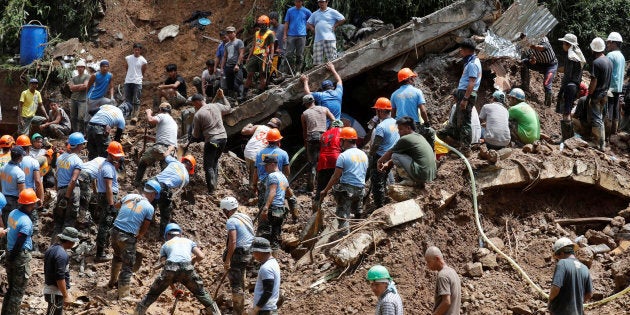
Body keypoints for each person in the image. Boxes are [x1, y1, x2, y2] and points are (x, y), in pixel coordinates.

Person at [134, 223, 221, 315]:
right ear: (180, 234)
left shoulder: (165, 245)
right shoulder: (188, 241)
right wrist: (193, 261)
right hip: (187, 269)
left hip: (170, 268)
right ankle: (216, 313)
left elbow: (166, 267)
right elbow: (201, 256)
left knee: (152, 294)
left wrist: (173, 288)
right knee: (201, 293)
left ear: (167, 235)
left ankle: (137, 313)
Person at [108, 186, 156, 299]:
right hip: (127, 236)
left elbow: (116, 206)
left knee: (117, 256)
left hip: (114, 232)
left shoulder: (130, 196)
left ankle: (112, 282)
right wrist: (139, 236)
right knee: (127, 266)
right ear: (153, 194)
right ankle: (124, 295)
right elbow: (145, 225)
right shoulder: (149, 207)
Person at [320, 127, 368, 234]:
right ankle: (357, 235)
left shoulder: (343, 156)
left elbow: (336, 176)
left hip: (347, 190)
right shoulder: (364, 155)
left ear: (345, 140)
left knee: (343, 216)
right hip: (361, 189)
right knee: (357, 214)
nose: (340, 142)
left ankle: (343, 239)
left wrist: (325, 190)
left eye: (341, 140)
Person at [2, 189, 38, 315]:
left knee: (11, 289)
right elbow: (20, 242)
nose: (35, 205)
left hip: (9, 252)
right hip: (19, 257)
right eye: (34, 203)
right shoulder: (26, 222)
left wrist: (9, 257)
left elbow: (9, 231)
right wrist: (13, 257)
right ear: (30, 204)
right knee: (17, 293)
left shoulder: (13, 213)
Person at [190, 92, 231, 194]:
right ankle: (215, 183)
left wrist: (192, 131)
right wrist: (223, 96)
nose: (193, 106)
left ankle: (211, 190)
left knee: (208, 166)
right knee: (215, 161)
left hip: (212, 140)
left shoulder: (198, 115)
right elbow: (229, 108)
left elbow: (196, 135)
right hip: (223, 139)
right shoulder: (216, 106)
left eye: (193, 104)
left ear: (197, 102)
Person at [253, 128, 298, 222]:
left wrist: (254, 185)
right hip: (279, 180)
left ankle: (263, 224)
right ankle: (295, 217)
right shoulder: (283, 153)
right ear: (278, 141)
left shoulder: (259, 153)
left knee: (263, 204)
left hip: (263, 183)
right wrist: (283, 181)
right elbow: (287, 172)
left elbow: (255, 171)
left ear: (267, 140)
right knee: (291, 198)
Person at [220, 196, 254, 314]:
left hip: (239, 253)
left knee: (235, 283)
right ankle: (242, 304)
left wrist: (227, 260)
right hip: (249, 251)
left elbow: (233, 242)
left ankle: (238, 311)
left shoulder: (231, 221)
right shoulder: (245, 217)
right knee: (241, 276)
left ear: (226, 210)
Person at [378, 116, 436, 186]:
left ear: (408, 128)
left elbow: (391, 153)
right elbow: (404, 156)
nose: (399, 132)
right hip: (430, 175)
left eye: (401, 129)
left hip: (421, 174)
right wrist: (388, 163)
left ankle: (409, 180)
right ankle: (418, 181)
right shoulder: (419, 136)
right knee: (398, 155)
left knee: (395, 155)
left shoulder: (405, 139)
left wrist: (380, 161)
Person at [145, 154, 195, 235]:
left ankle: (148, 221)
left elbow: (165, 155)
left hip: (152, 182)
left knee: (150, 203)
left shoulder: (174, 161)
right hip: (163, 188)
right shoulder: (186, 178)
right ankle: (163, 235)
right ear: (191, 167)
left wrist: (171, 149)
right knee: (166, 210)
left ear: (183, 160)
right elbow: (181, 184)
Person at [449, 39, 481, 155]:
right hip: (464, 93)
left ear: (467, 50)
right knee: (459, 120)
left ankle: (466, 149)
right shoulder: (471, 61)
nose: (460, 51)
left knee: (465, 122)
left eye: (462, 49)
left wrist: (465, 99)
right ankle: (458, 145)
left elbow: (471, 82)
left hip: (466, 94)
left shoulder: (472, 64)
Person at [134, 102, 178, 186]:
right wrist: (151, 138)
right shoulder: (173, 122)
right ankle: (163, 191)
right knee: (165, 173)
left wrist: (148, 113)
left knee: (143, 162)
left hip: (161, 148)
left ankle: (137, 183)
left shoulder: (162, 115)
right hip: (171, 150)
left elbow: (150, 120)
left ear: (160, 110)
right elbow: (167, 138)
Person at [94, 141, 125, 262]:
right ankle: (100, 254)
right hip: (108, 199)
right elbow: (109, 187)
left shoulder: (106, 165)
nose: (118, 158)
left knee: (109, 223)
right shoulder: (107, 168)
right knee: (105, 224)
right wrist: (111, 204)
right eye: (116, 156)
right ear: (110, 155)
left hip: (106, 197)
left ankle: (105, 247)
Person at [548, 237, 593, 315]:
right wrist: (577, 302)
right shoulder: (585, 268)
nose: (558, 260)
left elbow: (555, 288)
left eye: (558, 257)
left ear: (561, 253)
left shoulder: (562, 263)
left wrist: (550, 301)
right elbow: (589, 294)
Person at [369, 97, 399, 208]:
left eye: (377, 110)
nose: (376, 113)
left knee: (377, 183)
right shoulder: (396, 122)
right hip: (392, 156)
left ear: (381, 111)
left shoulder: (381, 127)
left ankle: (379, 207)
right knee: (384, 178)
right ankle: (386, 198)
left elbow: (376, 144)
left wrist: (370, 155)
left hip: (380, 157)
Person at [54, 132, 86, 237]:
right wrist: (67, 198)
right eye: (82, 144)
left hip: (60, 189)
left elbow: (56, 175)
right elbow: (73, 180)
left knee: (59, 220)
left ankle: (55, 242)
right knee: (69, 220)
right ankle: (64, 246)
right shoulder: (77, 160)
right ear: (79, 145)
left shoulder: (60, 158)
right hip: (71, 192)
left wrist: (58, 191)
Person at [301, 94, 335, 192]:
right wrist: (329, 131)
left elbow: (304, 131)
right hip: (324, 137)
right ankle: (324, 185)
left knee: (312, 163)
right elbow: (334, 120)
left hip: (311, 137)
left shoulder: (304, 114)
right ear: (314, 101)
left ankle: (310, 187)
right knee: (323, 161)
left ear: (305, 104)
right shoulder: (324, 109)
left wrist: (305, 143)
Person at [43, 227, 79, 315]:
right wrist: (66, 296)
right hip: (54, 292)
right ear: (70, 241)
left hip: (53, 291)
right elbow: (60, 277)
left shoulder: (52, 248)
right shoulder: (62, 255)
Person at [556, 33, 585, 141]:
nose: (562, 45)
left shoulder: (570, 57)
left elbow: (567, 75)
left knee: (566, 112)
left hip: (569, 86)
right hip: (574, 86)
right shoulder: (578, 57)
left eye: (564, 43)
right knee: (568, 111)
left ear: (567, 44)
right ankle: (568, 138)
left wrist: (561, 90)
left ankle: (566, 138)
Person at [518, 33, 558, 107]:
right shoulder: (525, 46)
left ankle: (547, 105)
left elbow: (543, 48)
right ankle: (525, 84)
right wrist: (532, 59)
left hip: (551, 65)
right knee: (523, 62)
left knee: (546, 83)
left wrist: (531, 45)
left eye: (524, 37)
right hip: (539, 64)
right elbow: (531, 58)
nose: (523, 39)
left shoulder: (542, 38)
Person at [587, 37, 613, 151]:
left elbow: (594, 81)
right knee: (601, 118)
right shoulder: (609, 61)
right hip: (605, 93)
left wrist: (589, 93)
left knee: (597, 118)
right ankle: (600, 141)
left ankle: (600, 144)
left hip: (597, 94)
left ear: (593, 49)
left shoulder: (596, 62)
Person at [241, 117, 282, 188]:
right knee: (273, 161)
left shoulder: (259, 127)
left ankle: (253, 183)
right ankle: (257, 187)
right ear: (277, 128)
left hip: (247, 152)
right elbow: (276, 150)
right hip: (257, 156)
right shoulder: (274, 134)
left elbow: (243, 131)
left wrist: (248, 125)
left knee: (253, 170)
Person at [16, 135, 43, 240]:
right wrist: (40, 198)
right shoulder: (33, 161)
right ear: (28, 147)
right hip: (30, 197)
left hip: (17, 196)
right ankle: (33, 246)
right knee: (33, 222)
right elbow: (37, 181)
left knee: (19, 221)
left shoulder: (14, 161)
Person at [260, 155, 289, 251]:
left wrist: (265, 208)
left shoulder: (272, 176)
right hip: (280, 210)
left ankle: (261, 261)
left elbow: (273, 192)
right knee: (275, 237)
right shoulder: (283, 177)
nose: (265, 168)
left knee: (263, 235)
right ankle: (274, 260)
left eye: (266, 165)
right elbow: (289, 193)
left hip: (272, 208)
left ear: (272, 164)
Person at [425, 246, 462, 315]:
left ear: (437, 259)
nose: (427, 265)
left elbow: (446, 302)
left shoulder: (442, 275)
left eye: (429, 262)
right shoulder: (453, 272)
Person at [306, 0, 345, 65]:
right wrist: (312, 29)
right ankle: (318, 74)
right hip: (318, 39)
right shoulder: (315, 13)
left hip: (329, 38)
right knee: (317, 61)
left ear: (327, 2)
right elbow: (308, 23)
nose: (321, 3)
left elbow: (342, 18)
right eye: (319, 2)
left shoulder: (332, 11)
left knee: (333, 59)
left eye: (322, 2)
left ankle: (334, 72)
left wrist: (335, 26)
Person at [315, 119, 343, 206]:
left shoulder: (323, 134)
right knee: (338, 183)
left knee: (320, 186)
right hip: (336, 158)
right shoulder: (342, 131)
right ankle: (339, 205)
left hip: (323, 160)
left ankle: (316, 205)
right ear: (341, 126)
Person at [245, 15, 276, 94]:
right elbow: (253, 45)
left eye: (263, 24)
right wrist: (249, 57)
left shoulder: (270, 33)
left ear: (267, 24)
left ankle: (261, 91)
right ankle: (244, 92)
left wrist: (271, 59)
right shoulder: (257, 33)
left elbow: (272, 47)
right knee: (249, 74)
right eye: (260, 24)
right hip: (255, 55)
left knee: (262, 75)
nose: (261, 26)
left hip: (264, 56)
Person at [250, 237, 281, 315]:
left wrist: (255, 309)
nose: (253, 255)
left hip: (265, 311)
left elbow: (268, 291)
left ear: (259, 252)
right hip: (268, 309)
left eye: (254, 252)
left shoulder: (266, 268)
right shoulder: (273, 263)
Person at [283, 0, 311, 75]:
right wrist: (285, 35)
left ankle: (298, 70)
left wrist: (306, 28)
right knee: (289, 54)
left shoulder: (306, 11)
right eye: (296, 2)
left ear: (302, 2)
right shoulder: (290, 10)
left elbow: (311, 21)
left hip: (302, 35)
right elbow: (286, 23)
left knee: (300, 54)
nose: (297, 3)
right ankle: (287, 71)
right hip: (291, 35)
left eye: (299, 2)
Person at [605, 32, 625, 137]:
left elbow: (606, 71)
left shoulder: (610, 55)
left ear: (613, 43)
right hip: (618, 87)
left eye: (608, 43)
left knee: (609, 109)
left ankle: (607, 135)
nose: (607, 45)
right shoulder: (621, 56)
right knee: (615, 110)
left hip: (610, 87)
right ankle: (614, 133)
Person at [0, 147, 26, 227]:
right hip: (13, 202)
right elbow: (22, 192)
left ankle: (4, 238)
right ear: (20, 157)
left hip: (3, 199)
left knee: (4, 222)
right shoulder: (19, 173)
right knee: (13, 225)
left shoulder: (2, 168)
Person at [78, 156, 105, 226]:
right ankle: (81, 220)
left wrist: (95, 191)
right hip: (85, 176)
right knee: (85, 198)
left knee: (77, 195)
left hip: (77, 173)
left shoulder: (95, 161)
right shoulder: (106, 165)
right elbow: (102, 183)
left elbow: (93, 178)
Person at [221, 26, 245, 99]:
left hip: (236, 65)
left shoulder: (239, 42)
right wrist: (222, 67)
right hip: (228, 65)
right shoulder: (226, 44)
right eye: (228, 33)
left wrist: (238, 64)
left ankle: (241, 96)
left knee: (238, 82)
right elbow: (224, 56)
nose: (230, 34)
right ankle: (232, 99)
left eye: (231, 32)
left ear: (235, 33)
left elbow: (241, 53)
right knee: (229, 83)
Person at [124, 43, 148, 117]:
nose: (136, 51)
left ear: (140, 50)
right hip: (128, 81)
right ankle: (128, 114)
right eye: (135, 50)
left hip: (137, 81)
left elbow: (143, 70)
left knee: (137, 99)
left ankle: (135, 115)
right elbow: (126, 67)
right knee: (128, 99)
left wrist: (140, 76)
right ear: (133, 50)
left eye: (138, 50)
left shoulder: (143, 60)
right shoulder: (128, 58)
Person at [68, 60, 90, 133]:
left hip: (83, 99)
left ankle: (82, 132)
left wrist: (75, 87)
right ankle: (75, 132)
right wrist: (80, 86)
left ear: (84, 68)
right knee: (73, 117)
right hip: (74, 99)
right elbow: (71, 88)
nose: (80, 68)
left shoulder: (87, 76)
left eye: (81, 67)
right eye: (78, 67)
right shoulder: (73, 78)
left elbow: (85, 86)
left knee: (81, 117)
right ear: (77, 68)